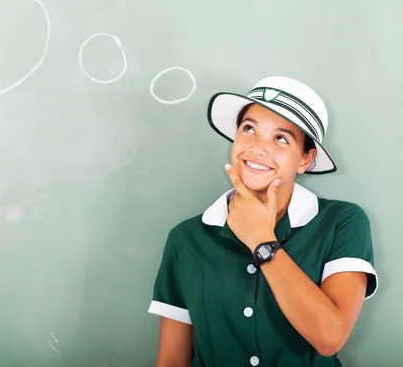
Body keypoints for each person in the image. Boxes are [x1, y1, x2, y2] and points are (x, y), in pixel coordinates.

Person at [147, 76, 378, 367]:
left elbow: (330, 337)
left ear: (305, 160)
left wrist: (261, 241)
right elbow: (171, 359)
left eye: (281, 138)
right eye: (249, 129)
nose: (257, 148)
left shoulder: (341, 222)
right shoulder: (186, 238)